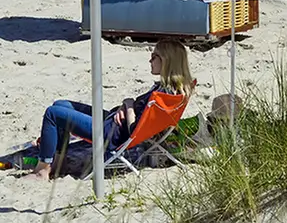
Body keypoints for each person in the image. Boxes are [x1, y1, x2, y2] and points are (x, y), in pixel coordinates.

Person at [29, 41, 194, 178]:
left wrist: (129, 105)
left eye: (154, 57)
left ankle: (43, 170)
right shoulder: (173, 92)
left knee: (52, 114)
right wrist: (125, 106)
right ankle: (59, 161)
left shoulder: (161, 95)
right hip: (114, 122)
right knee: (61, 104)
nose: (150, 61)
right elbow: (142, 118)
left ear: (166, 60)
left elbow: (133, 130)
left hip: (110, 133)